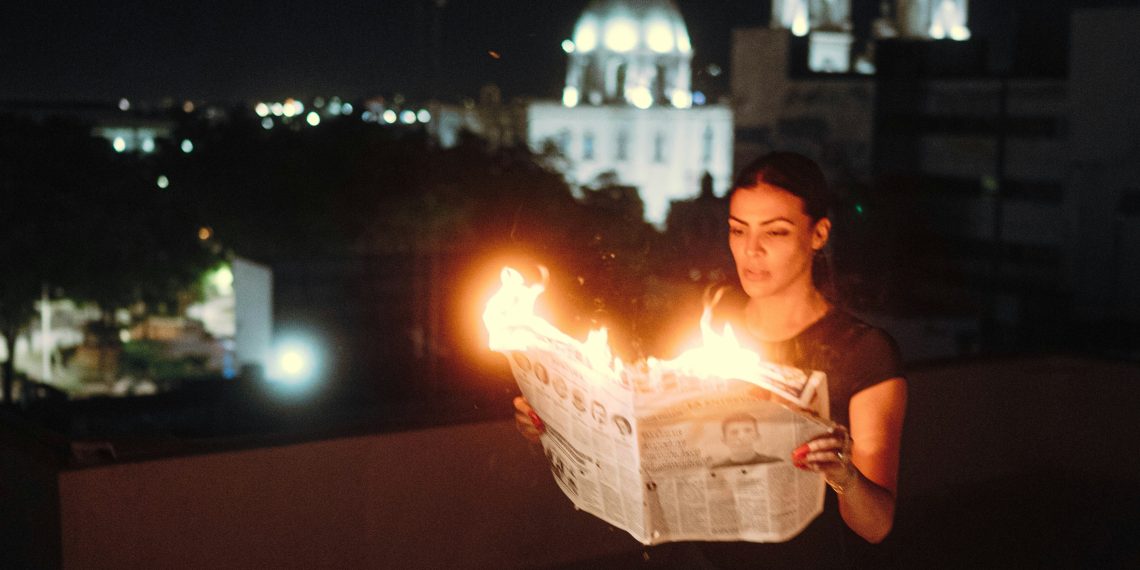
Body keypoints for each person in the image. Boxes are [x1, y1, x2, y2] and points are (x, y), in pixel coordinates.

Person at [513, 151, 907, 568]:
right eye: (738, 230)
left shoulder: (862, 352)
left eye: (775, 232)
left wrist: (843, 475)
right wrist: (560, 424)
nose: (751, 250)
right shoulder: (714, 319)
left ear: (818, 234)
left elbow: (876, 525)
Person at [710, 413, 782, 468]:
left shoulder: (775, 464)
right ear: (724, 440)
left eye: (748, 430)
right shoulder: (717, 469)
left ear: (757, 436)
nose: (741, 437)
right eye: (734, 432)